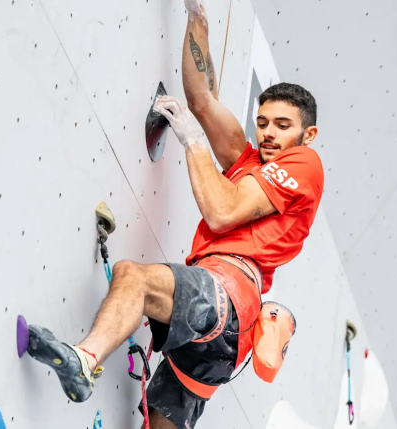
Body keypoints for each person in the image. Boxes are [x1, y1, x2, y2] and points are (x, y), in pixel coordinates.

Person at [22, 0, 325, 427]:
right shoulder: (250, 164)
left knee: (134, 278)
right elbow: (202, 100)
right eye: (263, 123)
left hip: (226, 297)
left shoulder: (305, 164)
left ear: (307, 134)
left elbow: (222, 212)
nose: (269, 134)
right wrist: (197, 17)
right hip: (221, 340)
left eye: (282, 125)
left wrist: (194, 143)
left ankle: (85, 359)